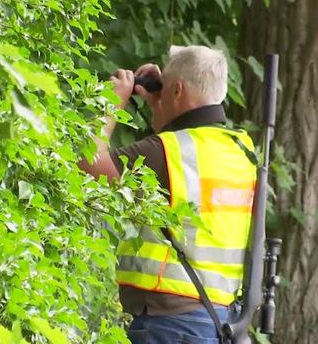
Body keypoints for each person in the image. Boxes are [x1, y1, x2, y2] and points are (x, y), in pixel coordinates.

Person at [79, 45, 257, 343]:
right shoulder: (242, 151)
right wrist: (158, 104)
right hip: (218, 321)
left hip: (170, 326)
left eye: (163, 91)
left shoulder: (170, 151)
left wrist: (110, 102)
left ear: (177, 91)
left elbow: (87, 162)